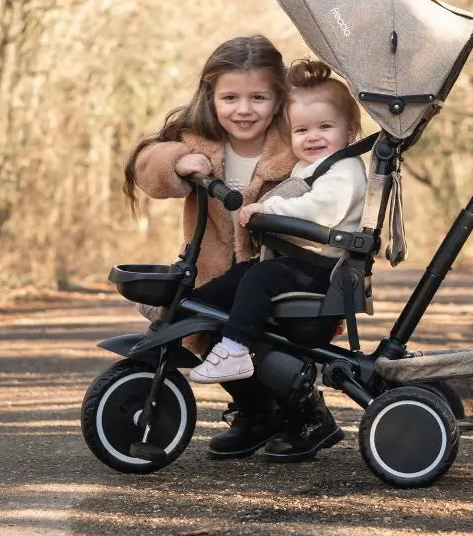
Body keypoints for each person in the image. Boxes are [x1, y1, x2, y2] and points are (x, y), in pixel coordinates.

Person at [124, 35, 340, 461]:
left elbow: (336, 161)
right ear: (211, 94)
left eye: (258, 97)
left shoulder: (297, 139)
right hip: (213, 269)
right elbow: (147, 163)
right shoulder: (196, 139)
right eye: (231, 98)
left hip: (278, 273)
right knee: (202, 329)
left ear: (279, 97)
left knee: (254, 343)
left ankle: (307, 414)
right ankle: (257, 413)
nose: (244, 110)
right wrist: (179, 162)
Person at [187, 58, 368, 402]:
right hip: (300, 264)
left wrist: (269, 209)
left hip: (323, 271)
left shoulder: (344, 169)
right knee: (245, 273)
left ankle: (235, 349)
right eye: (301, 131)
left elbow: (321, 211)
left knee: (261, 277)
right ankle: (190, 306)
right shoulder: (309, 166)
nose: (312, 137)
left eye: (325, 127)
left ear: (350, 131)